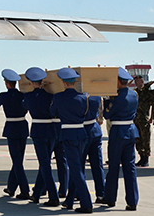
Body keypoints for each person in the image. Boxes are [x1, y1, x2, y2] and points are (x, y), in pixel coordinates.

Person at [49, 67, 92, 213]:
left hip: (68, 134)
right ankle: (69, 201)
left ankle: (87, 204)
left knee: (75, 170)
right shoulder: (83, 97)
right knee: (78, 168)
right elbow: (86, 115)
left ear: (63, 82)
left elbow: (52, 112)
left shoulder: (58, 97)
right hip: (81, 134)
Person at [22, 67, 60, 207]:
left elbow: (24, 106)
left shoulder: (28, 97)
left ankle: (53, 197)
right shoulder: (50, 96)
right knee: (44, 164)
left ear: (32, 83)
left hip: (38, 131)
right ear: (42, 82)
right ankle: (37, 193)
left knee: (45, 164)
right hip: (51, 130)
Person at [102, 67, 139, 211]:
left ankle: (110, 198)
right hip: (130, 131)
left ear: (117, 81)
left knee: (114, 166)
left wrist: (106, 100)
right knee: (130, 168)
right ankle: (132, 201)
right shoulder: (134, 95)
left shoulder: (116, 97)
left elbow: (106, 115)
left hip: (118, 132)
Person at [0, 69, 31, 200]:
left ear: (6, 83)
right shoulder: (23, 95)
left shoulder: (4, 95)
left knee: (16, 160)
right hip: (22, 127)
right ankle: (11, 187)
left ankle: (25, 190)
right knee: (18, 159)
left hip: (12, 128)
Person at [133, 75, 153, 167]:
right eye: (136, 81)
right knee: (138, 140)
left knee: (145, 140)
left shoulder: (146, 92)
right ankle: (141, 157)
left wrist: (151, 117)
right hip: (136, 119)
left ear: (142, 82)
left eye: (139, 81)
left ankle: (146, 159)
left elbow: (153, 106)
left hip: (144, 120)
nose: (137, 83)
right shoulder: (134, 92)